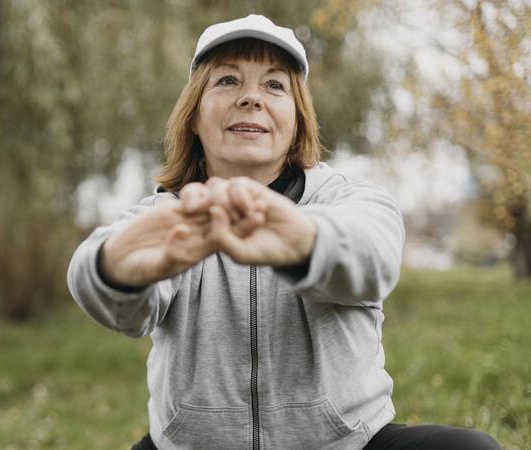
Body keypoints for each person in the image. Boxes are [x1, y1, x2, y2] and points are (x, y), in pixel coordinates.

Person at [67, 14, 501, 450]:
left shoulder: (351, 201)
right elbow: (101, 277)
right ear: (194, 117)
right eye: (227, 82)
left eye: (275, 85)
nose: (251, 98)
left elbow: (371, 260)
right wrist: (115, 269)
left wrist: (299, 240)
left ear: (297, 121)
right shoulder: (169, 215)